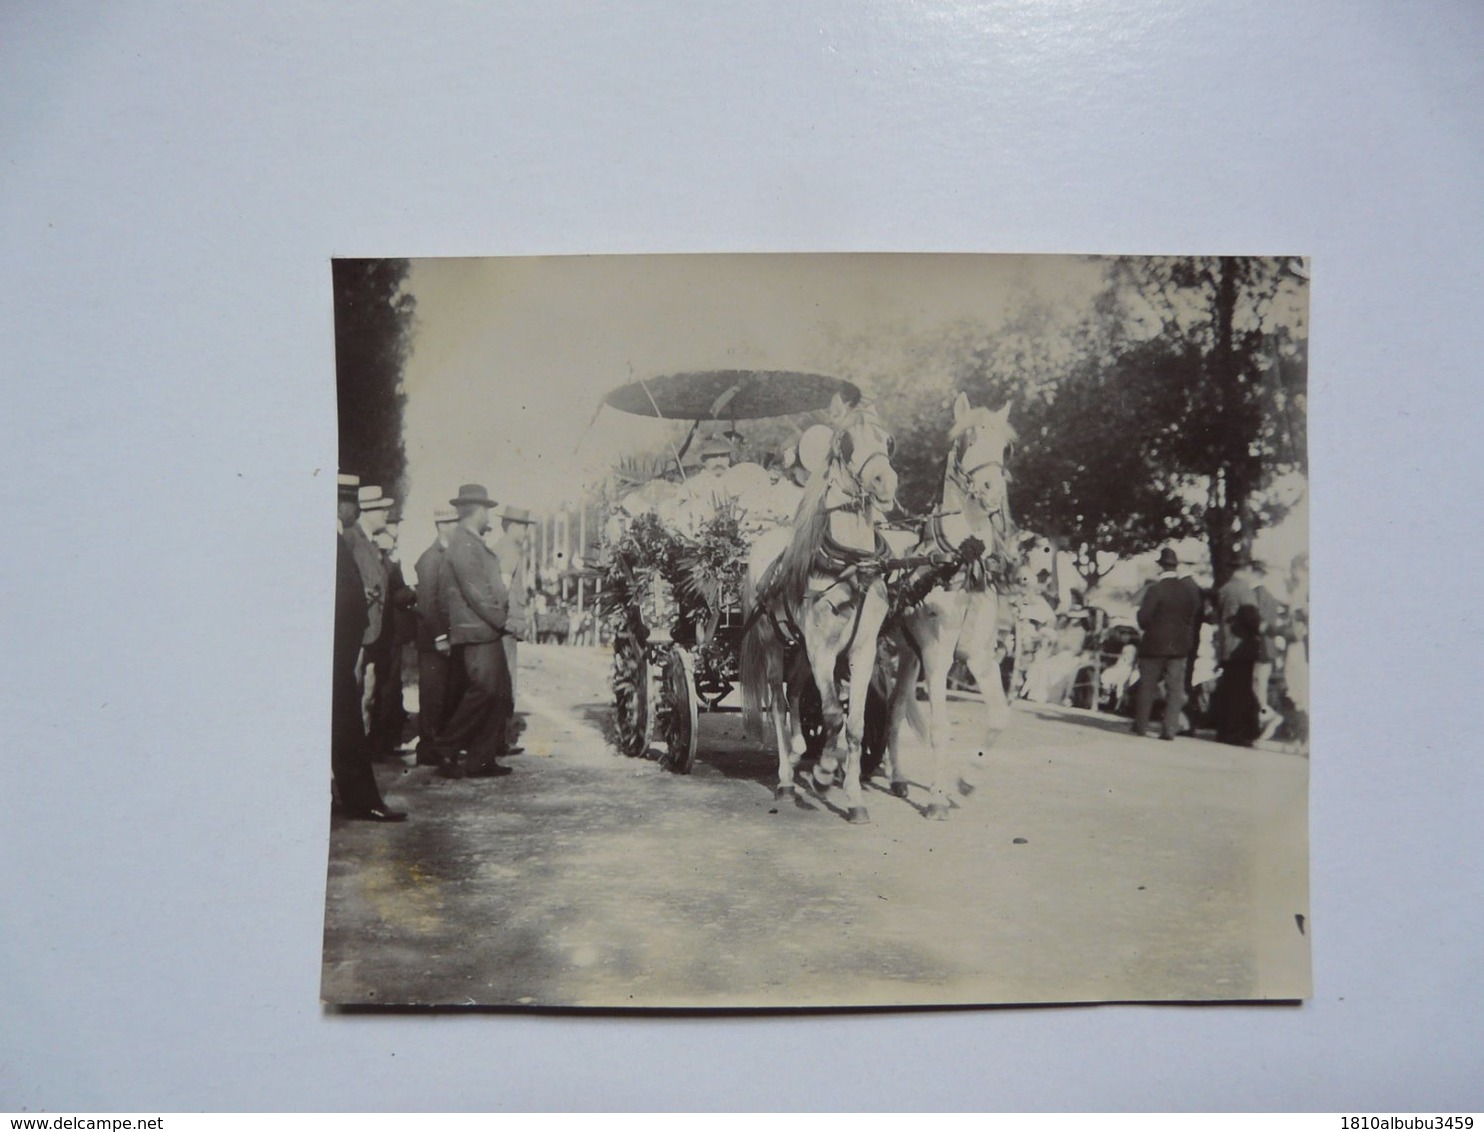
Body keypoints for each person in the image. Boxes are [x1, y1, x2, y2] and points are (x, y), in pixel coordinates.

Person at [331, 474, 404, 821]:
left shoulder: (351, 538)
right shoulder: (346, 539)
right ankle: (358, 799)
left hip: (349, 644)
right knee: (348, 718)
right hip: (343, 648)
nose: (352, 508)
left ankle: (351, 796)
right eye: (348, 500)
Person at [432, 484, 515, 779]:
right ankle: (445, 746)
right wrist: (505, 621)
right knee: (485, 691)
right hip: (478, 630)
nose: (488, 516)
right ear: (478, 511)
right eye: (487, 511)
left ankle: (480, 759)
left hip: (482, 630)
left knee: (497, 693)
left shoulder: (468, 541)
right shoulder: (465, 544)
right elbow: (478, 592)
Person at [1133, 547, 1204, 739]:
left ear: (1160, 567)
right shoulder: (1188, 590)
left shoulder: (1155, 589)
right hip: (1179, 646)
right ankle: (1169, 729)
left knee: (1147, 685)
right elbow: (1192, 616)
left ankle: (1141, 725)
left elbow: (1143, 618)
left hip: (1154, 645)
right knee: (1175, 689)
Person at [412, 506, 461, 766]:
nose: (458, 528)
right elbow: (428, 603)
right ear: (443, 526)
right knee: (433, 697)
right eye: (454, 523)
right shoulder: (430, 559)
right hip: (433, 642)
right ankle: (429, 749)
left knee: (445, 695)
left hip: (445, 640)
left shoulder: (448, 556)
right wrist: (440, 636)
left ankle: (440, 748)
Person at [343, 485, 392, 730]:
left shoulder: (372, 544)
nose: (386, 514)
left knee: (366, 692)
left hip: (372, 632)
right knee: (353, 688)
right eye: (383, 509)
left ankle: (362, 745)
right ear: (369, 511)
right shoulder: (351, 537)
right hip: (357, 631)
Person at [367, 517, 415, 760]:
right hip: (389, 632)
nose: (396, 531)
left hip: (391, 632)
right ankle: (382, 742)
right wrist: (413, 593)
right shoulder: (385, 558)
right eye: (393, 526)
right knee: (387, 685)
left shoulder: (388, 556)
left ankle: (386, 739)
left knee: (389, 684)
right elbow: (394, 593)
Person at [491, 505, 536, 753]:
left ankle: (495, 738)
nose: (526, 531)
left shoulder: (498, 547)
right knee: (506, 684)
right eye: (524, 526)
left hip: (502, 625)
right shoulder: (510, 551)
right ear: (513, 526)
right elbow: (503, 588)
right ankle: (499, 740)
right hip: (506, 626)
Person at [1211, 603, 1264, 746]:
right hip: (1240, 682)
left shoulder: (1250, 643)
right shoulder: (1253, 642)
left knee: (1235, 703)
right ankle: (1236, 732)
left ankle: (1233, 732)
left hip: (1238, 682)